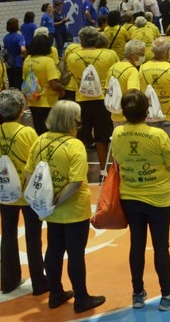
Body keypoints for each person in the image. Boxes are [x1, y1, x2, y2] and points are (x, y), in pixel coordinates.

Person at [24, 101, 105, 314]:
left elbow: (29, 173)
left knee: (54, 250)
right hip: (73, 210)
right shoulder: (74, 145)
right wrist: (56, 200)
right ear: (72, 121)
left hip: (50, 213)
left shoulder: (40, 140)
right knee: (75, 254)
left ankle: (55, 293)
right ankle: (81, 297)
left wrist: (43, 201)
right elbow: (76, 181)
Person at [112, 90, 170, 311]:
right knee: (160, 247)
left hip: (130, 196)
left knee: (136, 244)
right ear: (147, 110)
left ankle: (137, 293)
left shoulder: (118, 134)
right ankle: (167, 294)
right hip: (156, 198)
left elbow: (118, 159)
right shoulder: (157, 135)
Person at [0, 90, 47, 295]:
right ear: (21, 110)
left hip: (5, 191)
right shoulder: (27, 133)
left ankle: (8, 280)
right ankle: (38, 282)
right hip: (27, 193)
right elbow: (38, 160)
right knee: (33, 236)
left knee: (7, 235)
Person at [67, 26, 120, 170]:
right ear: (96, 39)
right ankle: (103, 170)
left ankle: (81, 169)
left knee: (82, 136)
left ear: (81, 41)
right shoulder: (110, 54)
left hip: (81, 100)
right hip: (103, 100)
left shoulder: (72, 56)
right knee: (102, 137)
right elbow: (116, 74)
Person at [22, 35, 65, 135]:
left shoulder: (27, 60)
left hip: (32, 100)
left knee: (39, 130)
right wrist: (62, 89)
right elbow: (53, 84)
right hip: (48, 101)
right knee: (51, 131)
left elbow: (25, 80)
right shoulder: (47, 61)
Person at [4, 18, 26, 89]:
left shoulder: (5, 38)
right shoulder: (20, 37)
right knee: (18, 85)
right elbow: (23, 49)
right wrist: (24, 56)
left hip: (9, 63)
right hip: (18, 63)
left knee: (11, 85)